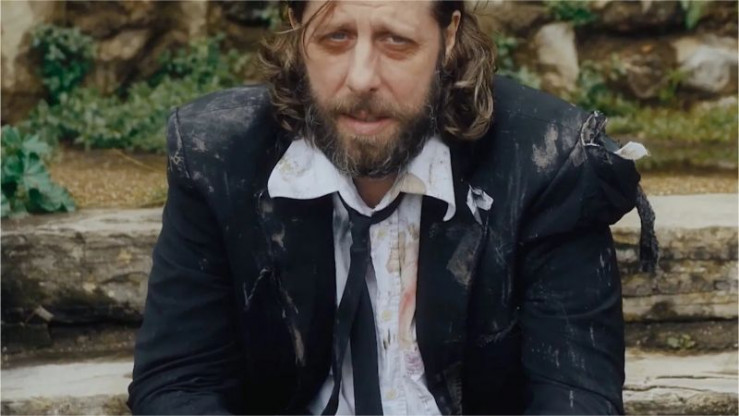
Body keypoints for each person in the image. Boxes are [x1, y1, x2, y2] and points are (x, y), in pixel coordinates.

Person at [128, 1, 656, 414]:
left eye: (396, 41)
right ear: (296, 29)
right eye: (335, 37)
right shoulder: (219, 158)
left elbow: (577, 396)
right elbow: (178, 382)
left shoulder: (546, 162)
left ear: (449, 36)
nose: (362, 77)